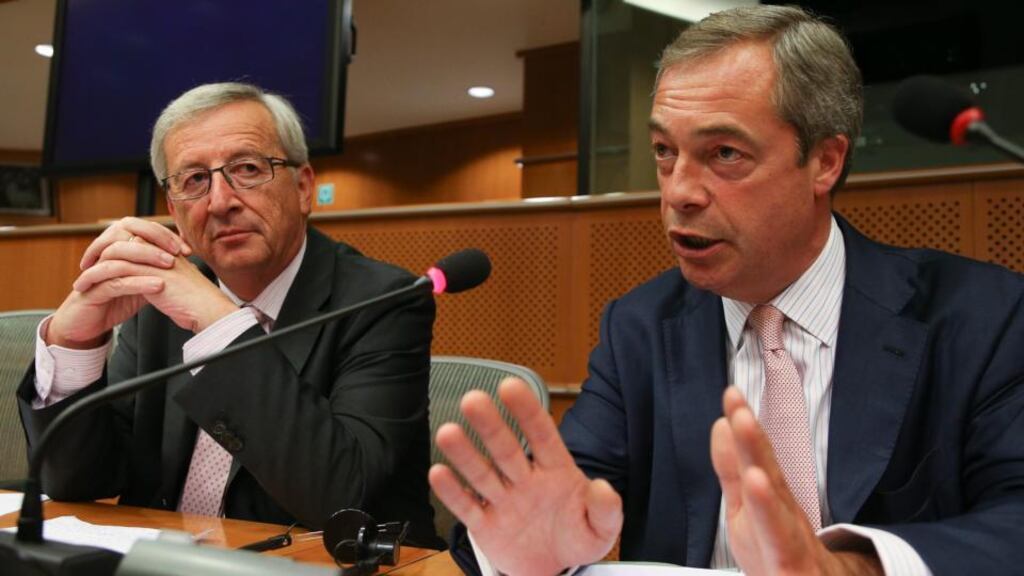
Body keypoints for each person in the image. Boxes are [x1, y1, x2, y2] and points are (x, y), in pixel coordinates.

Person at [429, 5, 1024, 576]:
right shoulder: (638, 328)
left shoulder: (980, 317)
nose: (679, 192)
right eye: (666, 152)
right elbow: (564, 495)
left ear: (825, 161)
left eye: (725, 154)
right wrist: (526, 550)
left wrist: (849, 566)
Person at [17, 82, 444, 547]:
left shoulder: (386, 299)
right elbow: (83, 482)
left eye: (246, 169)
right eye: (194, 180)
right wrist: (73, 345)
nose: (220, 201)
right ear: (174, 211)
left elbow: (340, 496)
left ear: (303, 188)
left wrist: (220, 325)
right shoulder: (162, 295)